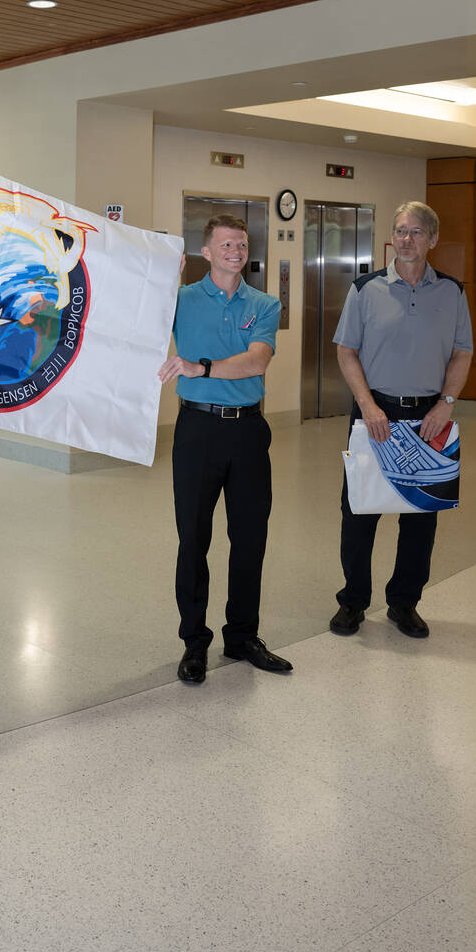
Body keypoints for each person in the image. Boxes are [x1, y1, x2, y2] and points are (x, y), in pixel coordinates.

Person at [329, 201, 472, 640]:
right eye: (399, 231)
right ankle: (353, 601)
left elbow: (462, 352)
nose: (405, 239)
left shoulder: (452, 292)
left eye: (415, 232)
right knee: (359, 511)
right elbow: (346, 350)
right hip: (375, 413)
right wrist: (367, 404)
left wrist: (446, 403)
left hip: (430, 414)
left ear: (432, 240)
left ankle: (404, 603)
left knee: (420, 515)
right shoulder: (365, 288)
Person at [158, 214, 291, 684]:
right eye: (226, 244)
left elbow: (257, 361)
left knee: (250, 539)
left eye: (241, 243)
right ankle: (195, 643)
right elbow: (130, 315)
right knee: (194, 539)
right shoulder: (180, 300)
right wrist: (156, 274)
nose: (236, 250)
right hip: (197, 431)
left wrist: (201, 368)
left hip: (249, 434)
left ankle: (242, 637)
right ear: (207, 253)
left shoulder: (265, 303)